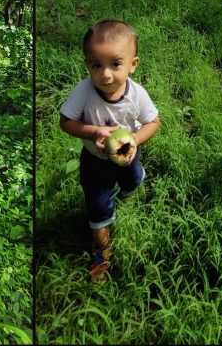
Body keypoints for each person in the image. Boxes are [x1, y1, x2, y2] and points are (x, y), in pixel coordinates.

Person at [59, 19, 160, 283]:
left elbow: (153, 122)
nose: (105, 74)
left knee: (132, 182)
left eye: (115, 64)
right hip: (95, 161)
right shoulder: (83, 92)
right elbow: (66, 122)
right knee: (98, 208)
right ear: (87, 65)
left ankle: (134, 182)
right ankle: (101, 252)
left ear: (132, 65)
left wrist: (135, 140)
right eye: (96, 65)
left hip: (128, 155)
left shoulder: (137, 94)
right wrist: (93, 132)